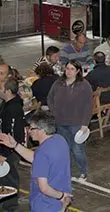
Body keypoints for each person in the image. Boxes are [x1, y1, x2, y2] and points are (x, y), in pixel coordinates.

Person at [0, 112, 72, 212]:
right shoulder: (59, 140)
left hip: (45, 205)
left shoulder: (42, 153)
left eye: (32, 128)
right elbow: (36, 159)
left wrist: (61, 196)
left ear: (42, 130)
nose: (29, 131)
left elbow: (44, 188)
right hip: (60, 202)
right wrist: (15, 145)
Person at [47, 60, 93, 180]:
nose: (69, 71)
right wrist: (53, 111)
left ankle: (83, 172)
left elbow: (88, 105)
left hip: (76, 123)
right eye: (67, 68)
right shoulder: (58, 83)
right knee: (64, 149)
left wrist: (85, 124)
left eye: (72, 69)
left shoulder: (84, 85)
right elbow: (50, 97)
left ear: (78, 71)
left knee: (77, 149)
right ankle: (68, 171)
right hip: (60, 122)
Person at [0, 79, 25, 211]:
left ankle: (10, 206)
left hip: (9, 151)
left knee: (9, 179)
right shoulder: (6, 104)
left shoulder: (14, 109)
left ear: (8, 91)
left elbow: (14, 134)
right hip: (4, 147)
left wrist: (4, 153)